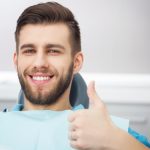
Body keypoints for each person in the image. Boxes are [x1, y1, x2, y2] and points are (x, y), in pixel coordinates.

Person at [0, 2, 149, 150]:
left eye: (53, 51)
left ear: (76, 62)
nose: (40, 63)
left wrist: (114, 140)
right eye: (29, 51)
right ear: (16, 60)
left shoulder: (110, 132)